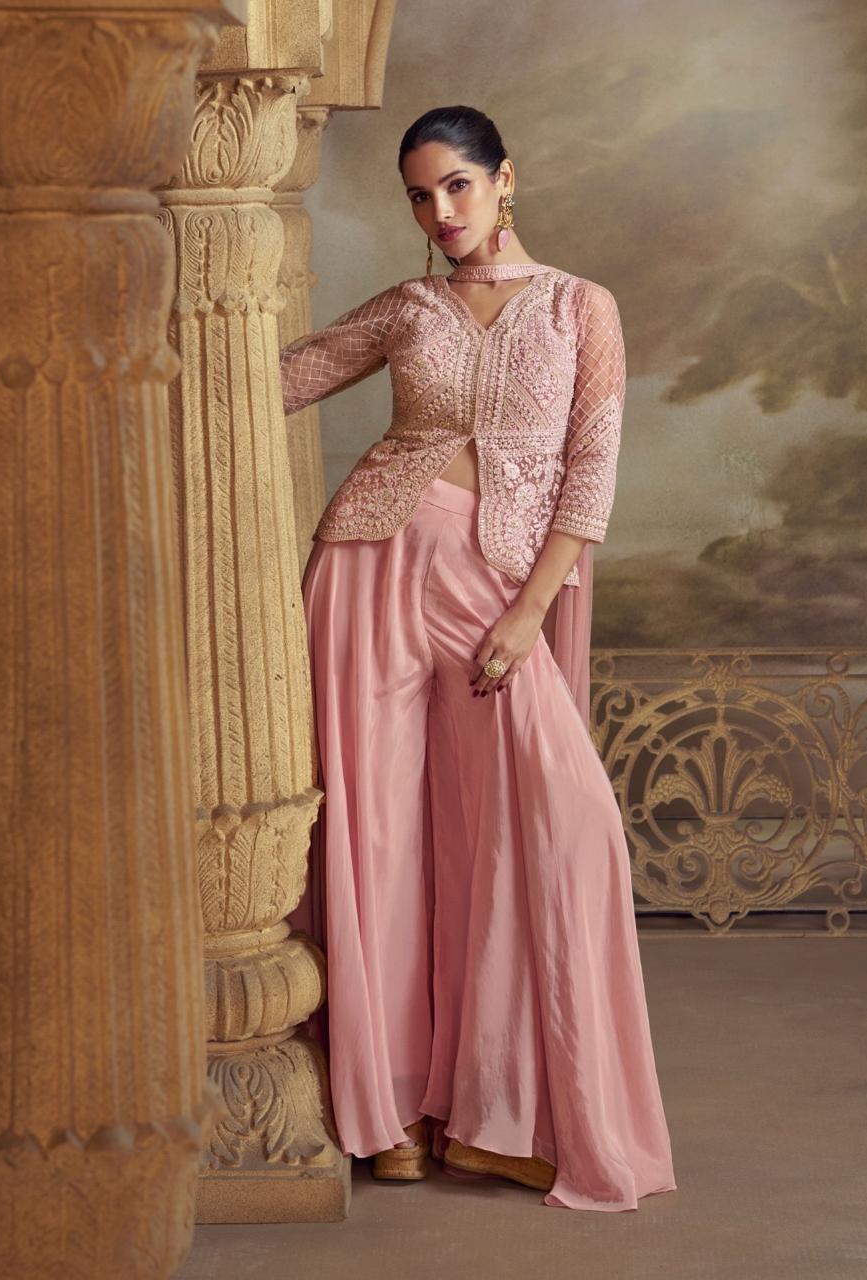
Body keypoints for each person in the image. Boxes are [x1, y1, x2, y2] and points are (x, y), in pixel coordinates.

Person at [280, 105, 677, 1212]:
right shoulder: (411, 307)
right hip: (366, 566)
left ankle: (502, 1110)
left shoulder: (576, 308)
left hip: (496, 588)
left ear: (508, 180)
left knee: (557, 825)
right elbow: (283, 374)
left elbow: (588, 472)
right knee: (379, 833)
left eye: (457, 185)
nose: (439, 212)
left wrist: (528, 611)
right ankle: (392, 1110)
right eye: (418, 194)